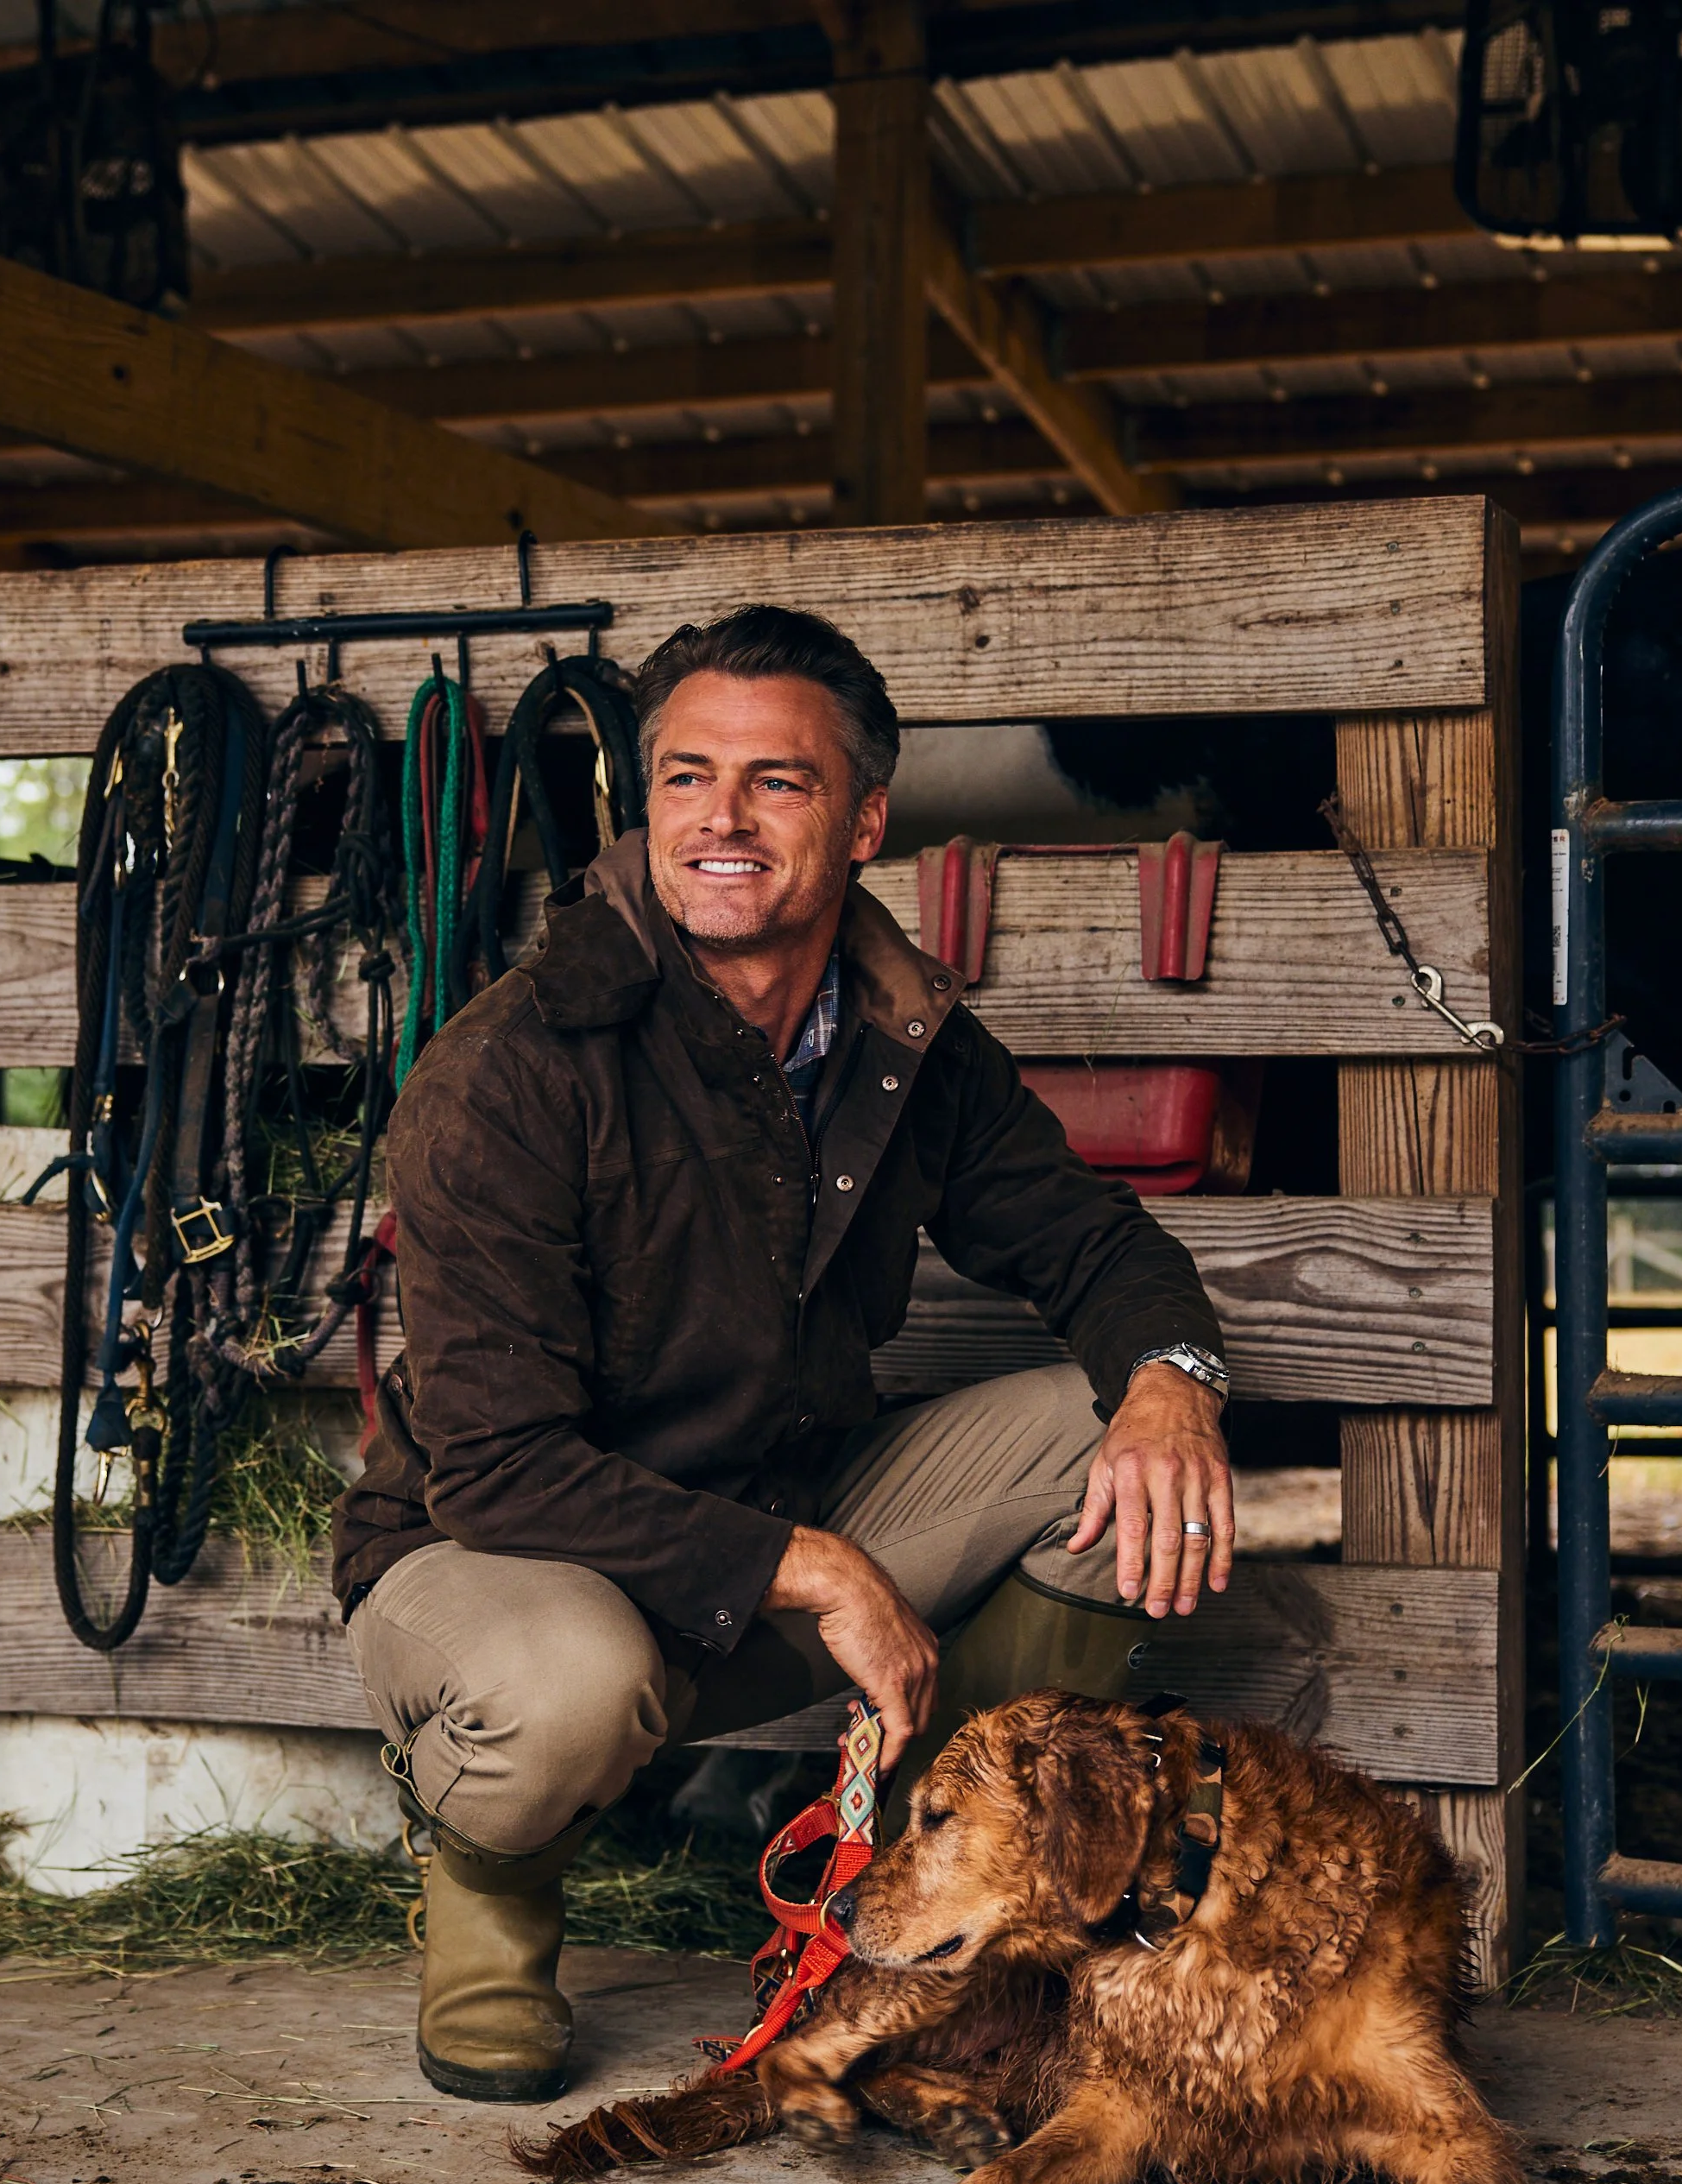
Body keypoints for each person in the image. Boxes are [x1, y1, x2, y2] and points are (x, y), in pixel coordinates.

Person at [334, 605, 1235, 2103]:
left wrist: (1170, 1388)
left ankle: (936, 1900)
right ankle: (490, 1908)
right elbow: (496, 1467)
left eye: (779, 782)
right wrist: (820, 1571)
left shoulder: (903, 1042)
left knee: (1107, 1449)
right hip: (501, 1554)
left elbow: (1094, 1245)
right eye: (686, 778)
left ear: (867, 815)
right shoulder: (510, 1068)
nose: (723, 822)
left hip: (775, 1501)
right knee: (568, 1676)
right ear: (643, 804)